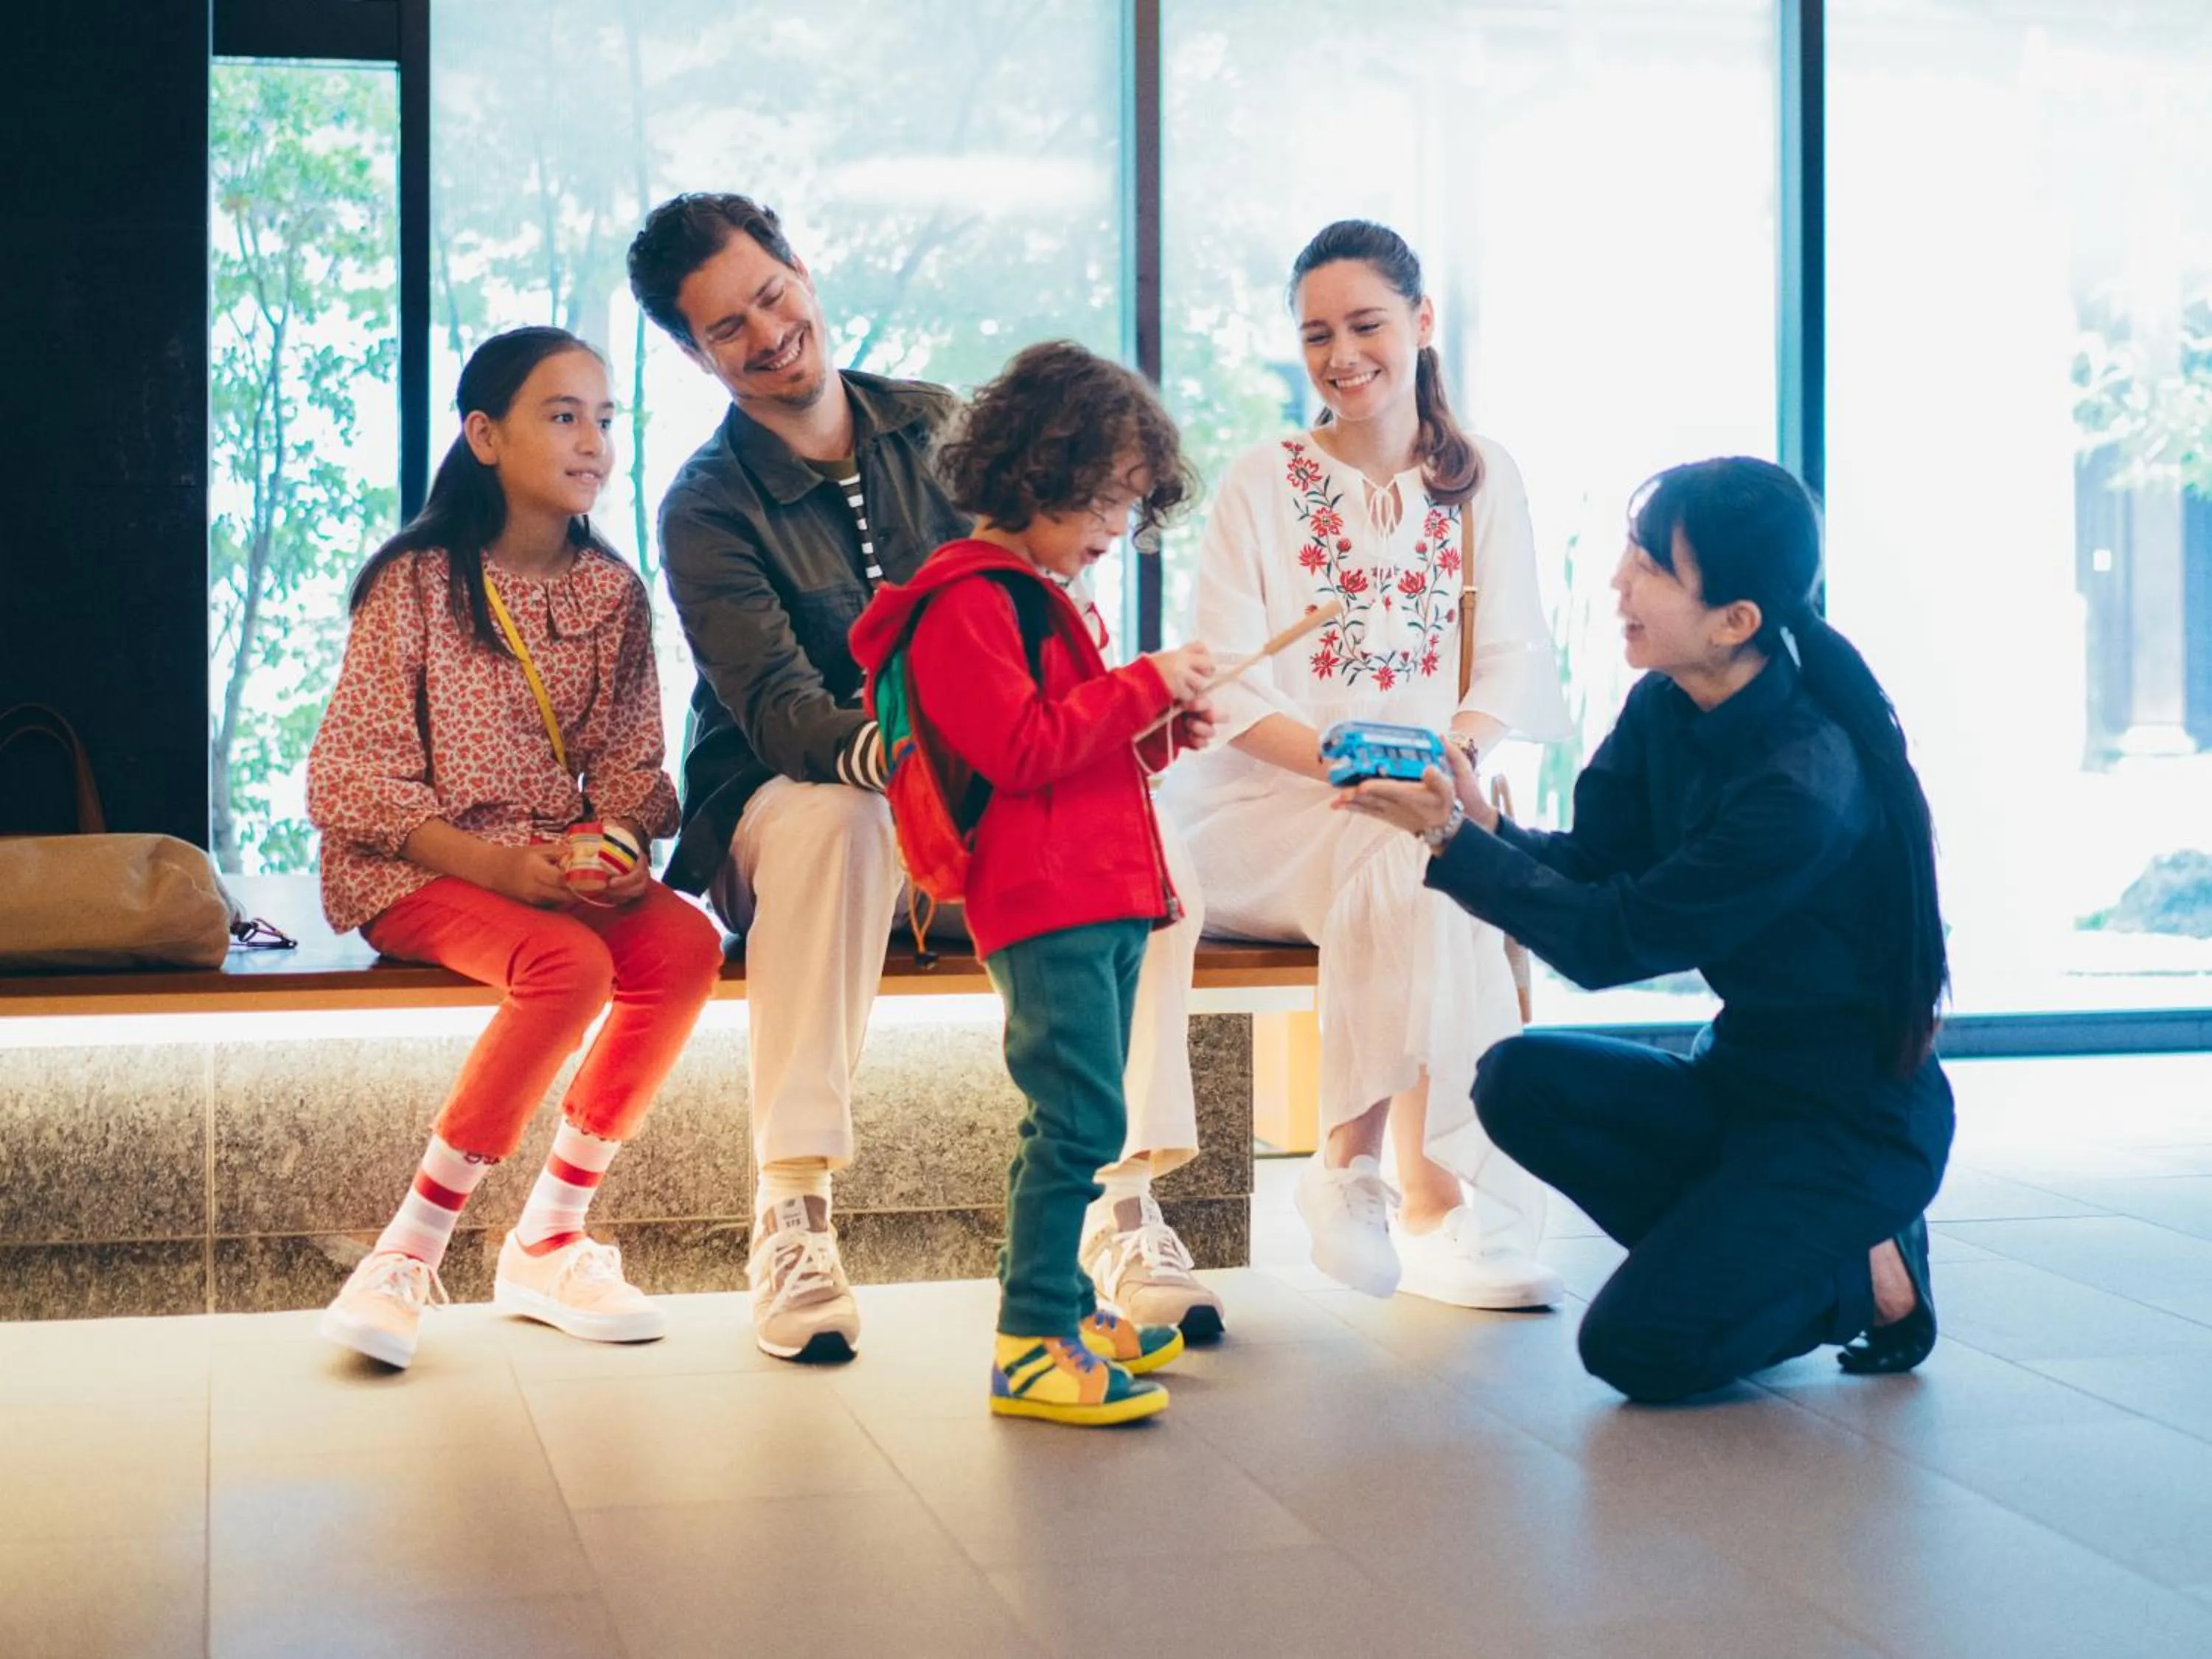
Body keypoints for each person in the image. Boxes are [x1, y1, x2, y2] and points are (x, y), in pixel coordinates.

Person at [627, 192, 1225, 1363]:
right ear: (695, 355)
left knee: (1158, 865)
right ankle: (792, 1205)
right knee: (839, 822)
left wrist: (1118, 727)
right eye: (725, 328)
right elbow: (783, 711)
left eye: (770, 293)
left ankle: (1122, 1204)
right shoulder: (706, 503)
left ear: (802, 266)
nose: (766, 331)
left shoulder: (942, 425)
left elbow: (1043, 611)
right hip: (791, 791)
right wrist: (941, 767)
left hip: (980, 780)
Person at [1339, 455, 1952, 1403]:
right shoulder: (1668, 703)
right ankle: (1755, 1244)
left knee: (1635, 1349)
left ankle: (1865, 1273)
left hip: (1851, 1122)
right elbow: (1601, 866)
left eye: (1653, 568)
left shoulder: (1802, 784)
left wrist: (1451, 841)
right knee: (1519, 1080)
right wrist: (1485, 824)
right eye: (1630, 553)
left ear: (1736, 621)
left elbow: (1611, 941)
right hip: (1741, 1080)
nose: (1620, 582)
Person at [1159, 219, 1569, 1308]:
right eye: (1317, 334)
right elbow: (1233, 691)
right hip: (1253, 814)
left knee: (1418, 850)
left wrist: (1448, 759)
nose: (1344, 355)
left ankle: (1388, 1188)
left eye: (1368, 324)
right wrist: (1351, 768)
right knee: (1410, 844)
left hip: (1414, 808)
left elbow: (1515, 662)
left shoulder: (1485, 480)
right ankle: (1414, 1195)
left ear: (1422, 323)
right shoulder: (1261, 481)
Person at [307, 326, 723, 1371]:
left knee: (684, 948)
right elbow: (348, 781)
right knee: (566, 963)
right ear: (484, 436)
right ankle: (407, 1251)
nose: (593, 440)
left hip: (549, 865)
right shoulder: (414, 582)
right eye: (562, 414)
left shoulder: (614, 592)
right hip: (420, 867)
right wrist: (494, 865)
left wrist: (621, 841)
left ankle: (548, 1236)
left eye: (606, 417)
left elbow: (634, 762)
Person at [852, 339, 1214, 1425]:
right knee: (1076, 1119)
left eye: (1131, 504)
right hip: (1048, 901)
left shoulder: (1036, 595)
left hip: (1094, 890)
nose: (1115, 526)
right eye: (1103, 498)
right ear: (1034, 472)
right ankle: (1029, 1342)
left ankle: (1056, 1304)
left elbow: (1072, 752)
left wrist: (1155, 729)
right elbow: (1017, 749)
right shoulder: (970, 600)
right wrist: (1142, 683)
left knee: (1079, 1116)